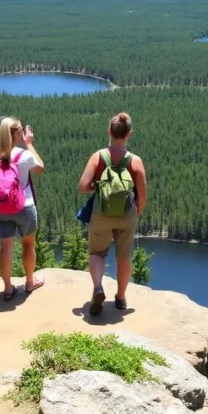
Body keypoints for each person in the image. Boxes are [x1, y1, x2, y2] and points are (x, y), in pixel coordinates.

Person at [77, 112, 148, 316]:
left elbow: (82, 186)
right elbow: (142, 195)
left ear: (109, 132)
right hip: (127, 214)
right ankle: (121, 298)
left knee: (97, 253)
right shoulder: (135, 161)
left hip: (101, 212)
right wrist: (137, 212)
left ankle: (98, 288)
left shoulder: (98, 157)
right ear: (129, 134)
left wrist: (99, 186)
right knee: (123, 257)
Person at [0, 117, 46, 300]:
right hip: (25, 207)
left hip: (1, 208)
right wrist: (30, 144)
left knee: (6, 247)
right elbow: (41, 169)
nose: (22, 132)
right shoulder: (24, 155)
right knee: (28, 244)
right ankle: (29, 281)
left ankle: (7, 288)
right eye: (20, 129)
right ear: (15, 133)